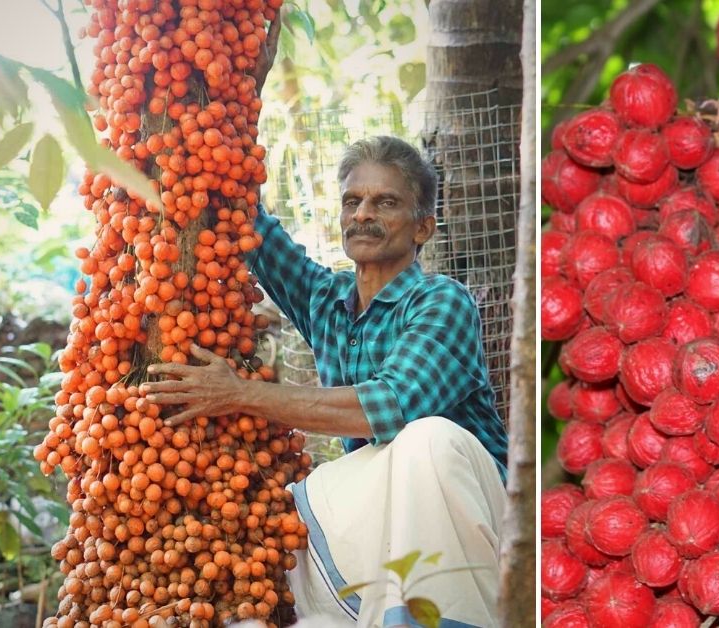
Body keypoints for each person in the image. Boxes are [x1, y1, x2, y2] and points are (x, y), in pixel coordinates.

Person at [141, 136, 510, 627]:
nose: (362, 214)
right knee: (268, 540)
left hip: (478, 517)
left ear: (423, 227)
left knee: (426, 438)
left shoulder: (443, 302)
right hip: (385, 520)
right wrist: (215, 142)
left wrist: (239, 394)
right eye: (352, 201)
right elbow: (258, 233)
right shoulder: (328, 300)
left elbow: (386, 407)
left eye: (386, 202)